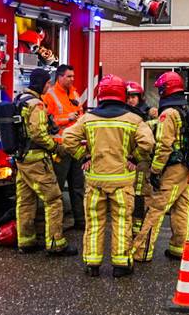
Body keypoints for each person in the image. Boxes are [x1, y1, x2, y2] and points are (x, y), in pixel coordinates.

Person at [62, 75, 154, 277]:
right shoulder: (133, 119)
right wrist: (134, 159)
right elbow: (147, 143)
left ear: (100, 95)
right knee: (122, 222)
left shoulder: (88, 118)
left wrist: (83, 157)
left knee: (94, 222)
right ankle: (121, 266)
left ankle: (92, 264)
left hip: (95, 181)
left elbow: (67, 138)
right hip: (122, 182)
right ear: (122, 94)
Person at [12, 68, 76, 257]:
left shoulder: (20, 100)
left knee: (25, 201)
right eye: (47, 83)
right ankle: (56, 244)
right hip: (37, 160)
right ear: (41, 83)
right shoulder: (36, 105)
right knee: (54, 200)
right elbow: (38, 134)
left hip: (22, 159)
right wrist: (55, 147)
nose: (49, 86)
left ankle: (26, 241)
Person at [134, 71, 189, 263]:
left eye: (160, 89)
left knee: (156, 209)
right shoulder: (184, 108)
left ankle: (141, 252)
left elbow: (163, 146)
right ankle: (179, 248)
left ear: (165, 90)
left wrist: (155, 170)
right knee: (182, 207)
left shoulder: (168, 113)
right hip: (187, 167)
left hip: (173, 169)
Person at [44, 64, 86, 229]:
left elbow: (80, 115)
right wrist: (67, 118)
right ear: (59, 77)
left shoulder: (74, 93)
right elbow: (47, 121)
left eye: (73, 76)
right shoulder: (49, 96)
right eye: (69, 76)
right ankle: (56, 224)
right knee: (58, 188)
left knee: (77, 186)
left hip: (75, 147)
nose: (72, 79)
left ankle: (80, 221)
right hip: (59, 148)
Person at [124, 81, 155, 246]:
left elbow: (148, 142)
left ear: (140, 97)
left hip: (141, 161)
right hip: (126, 161)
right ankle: (130, 230)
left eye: (134, 96)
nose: (131, 100)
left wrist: (134, 159)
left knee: (141, 195)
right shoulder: (122, 113)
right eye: (128, 97)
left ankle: (139, 231)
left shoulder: (147, 114)